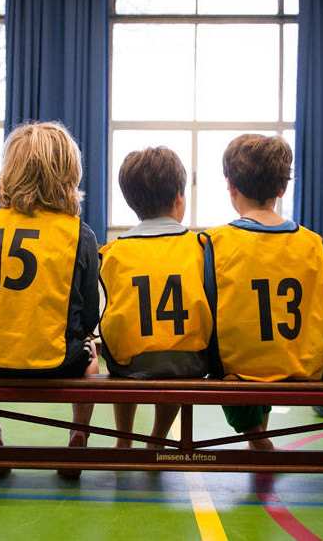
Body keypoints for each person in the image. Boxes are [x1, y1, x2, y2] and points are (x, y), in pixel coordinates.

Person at [0, 121, 99, 477]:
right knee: (91, 356)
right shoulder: (78, 235)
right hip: (57, 360)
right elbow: (89, 315)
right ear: (68, 175)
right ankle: (78, 432)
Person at [201, 134, 323, 450]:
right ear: (282, 188)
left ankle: (256, 437)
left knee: (228, 361)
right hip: (302, 364)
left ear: (230, 186)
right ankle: (258, 438)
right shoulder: (313, 242)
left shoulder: (214, 242)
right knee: (268, 348)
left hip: (242, 368)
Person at [100, 147, 212, 449]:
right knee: (176, 355)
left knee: (122, 346)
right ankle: (157, 438)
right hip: (189, 362)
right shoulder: (199, 246)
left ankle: (124, 437)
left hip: (129, 364)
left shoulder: (114, 251)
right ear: (179, 198)